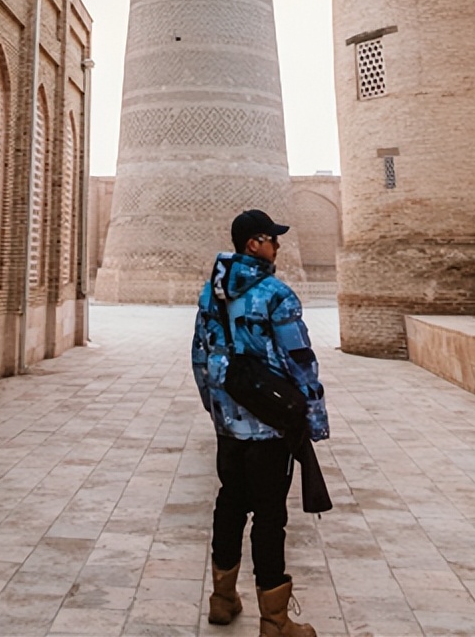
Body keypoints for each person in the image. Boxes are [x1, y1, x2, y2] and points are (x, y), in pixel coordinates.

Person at [192, 209, 329, 637]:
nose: (278, 245)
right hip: (270, 427)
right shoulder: (276, 294)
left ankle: (222, 599)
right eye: (272, 238)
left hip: (229, 425)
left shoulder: (211, 295)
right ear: (254, 243)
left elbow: (200, 356)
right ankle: (274, 620)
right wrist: (313, 420)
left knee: (230, 503)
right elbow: (300, 362)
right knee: (270, 516)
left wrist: (216, 409)